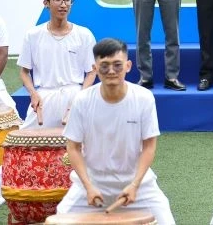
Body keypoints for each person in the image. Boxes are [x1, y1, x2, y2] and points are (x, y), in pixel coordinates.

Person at [0, 0, 97, 225]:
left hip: (76, 95)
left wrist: (79, 100)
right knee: (16, 151)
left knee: (93, 151)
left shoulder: (84, 34)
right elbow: (23, 71)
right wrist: (33, 93)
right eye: (58, 0)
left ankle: (97, 206)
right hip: (44, 97)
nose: (64, 5)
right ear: (46, 3)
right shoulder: (34, 34)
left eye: (67, 0)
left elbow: (91, 72)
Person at [55, 38, 175, 224]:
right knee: (60, 219)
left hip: (138, 185)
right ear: (95, 68)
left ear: (128, 66)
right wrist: (88, 186)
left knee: (167, 221)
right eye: (104, 66)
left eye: (117, 65)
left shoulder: (144, 98)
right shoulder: (82, 100)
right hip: (92, 184)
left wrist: (135, 185)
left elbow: (149, 146)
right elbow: (73, 147)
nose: (111, 71)